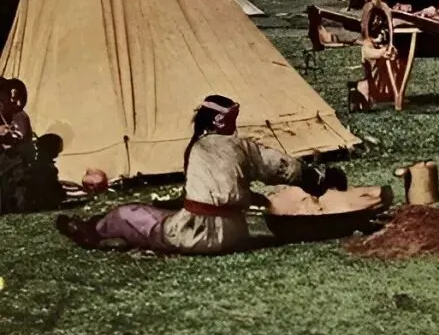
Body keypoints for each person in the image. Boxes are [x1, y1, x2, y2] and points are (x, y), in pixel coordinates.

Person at [55, 95, 348, 254]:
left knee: (128, 213)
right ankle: (114, 238)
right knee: (155, 216)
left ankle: (92, 232)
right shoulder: (242, 146)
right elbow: (280, 166)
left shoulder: (198, 148)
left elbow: (202, 197)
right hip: (235, 233)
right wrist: (318, 179)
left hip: (195, 234)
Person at [0, 78, 34, 212]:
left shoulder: (21, 117)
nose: (16, 103)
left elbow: (25, 142)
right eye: (12, 98)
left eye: (20, 99)